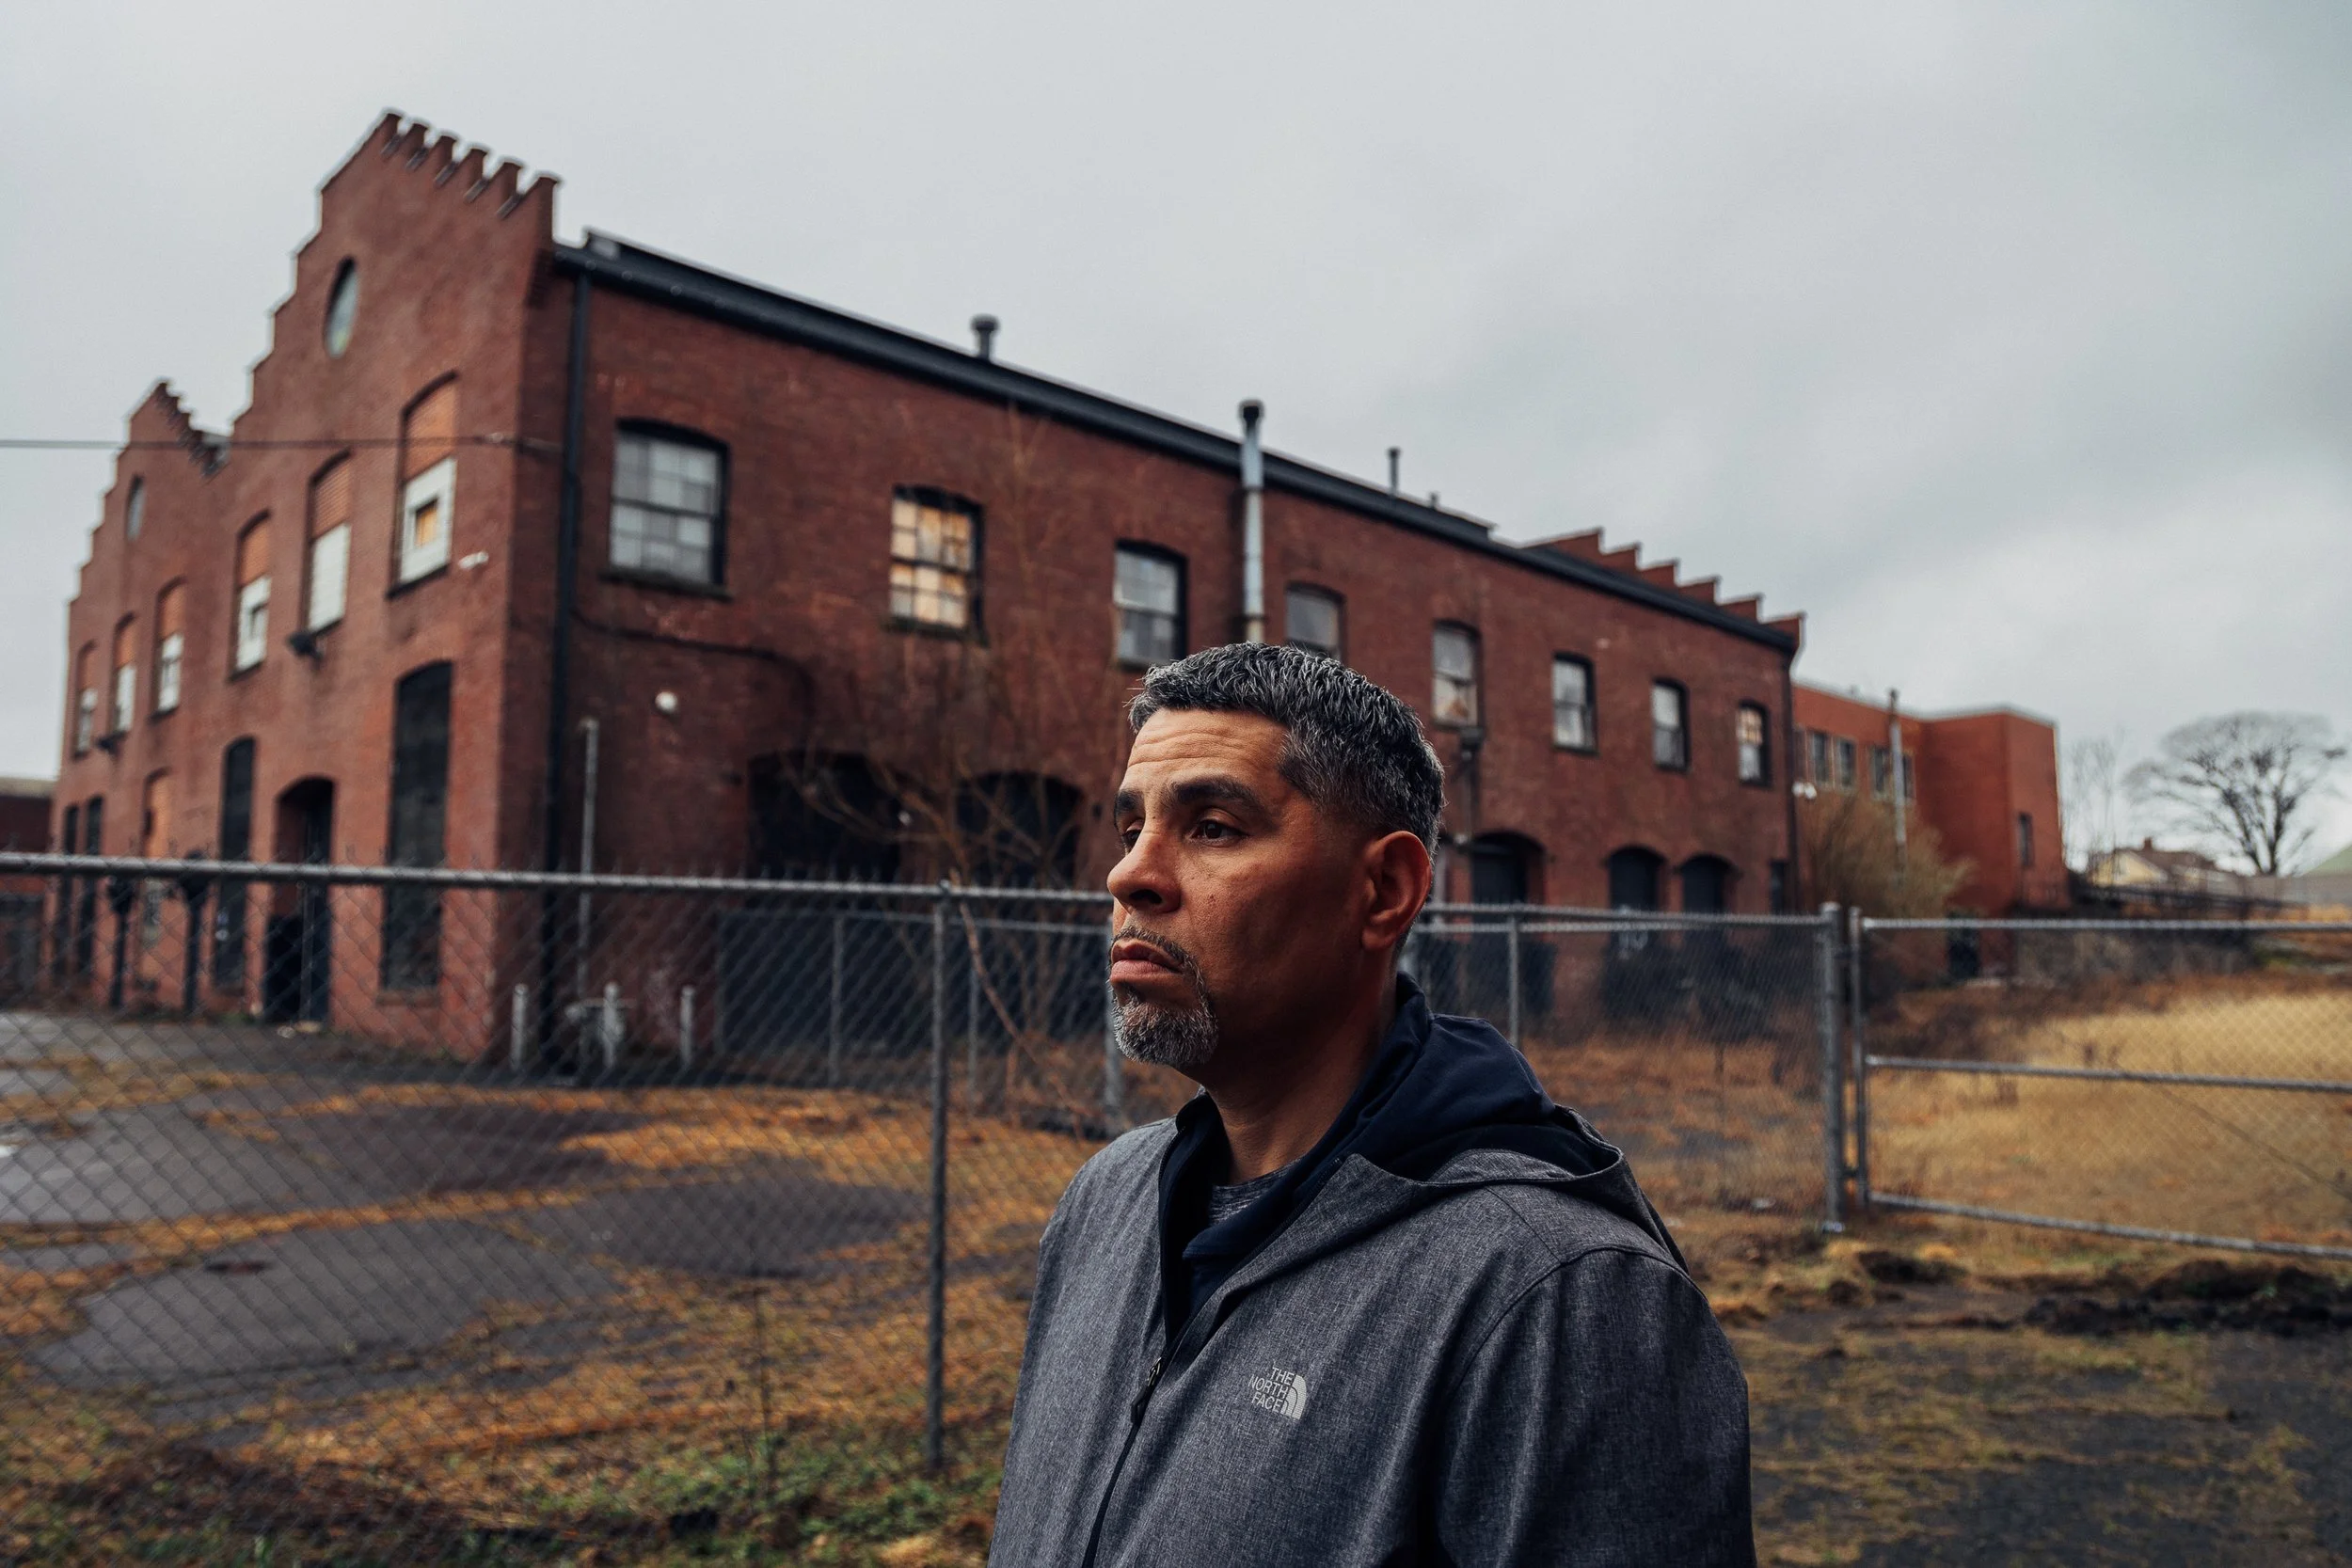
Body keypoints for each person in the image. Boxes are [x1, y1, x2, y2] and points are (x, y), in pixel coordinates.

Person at [989, 643, 1755, 1567]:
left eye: (1213, 827)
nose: (1129, 876)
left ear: (1384, 891)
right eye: (1129, 828)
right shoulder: (1103, 1201)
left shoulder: (1560, 1295)